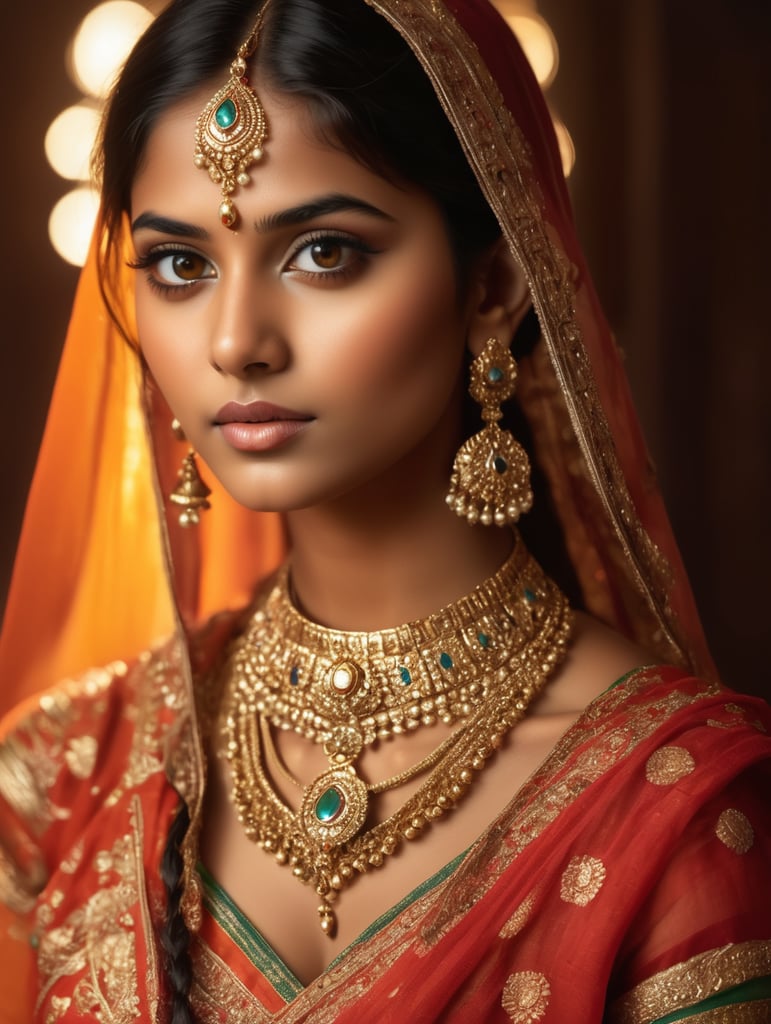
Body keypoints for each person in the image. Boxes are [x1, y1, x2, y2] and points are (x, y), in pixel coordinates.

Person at [0, 0, 769, 1020]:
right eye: (181, 265)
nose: (236, 342)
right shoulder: (63, 773)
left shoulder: (671, 803)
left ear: (492, 283)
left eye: (323, 253)